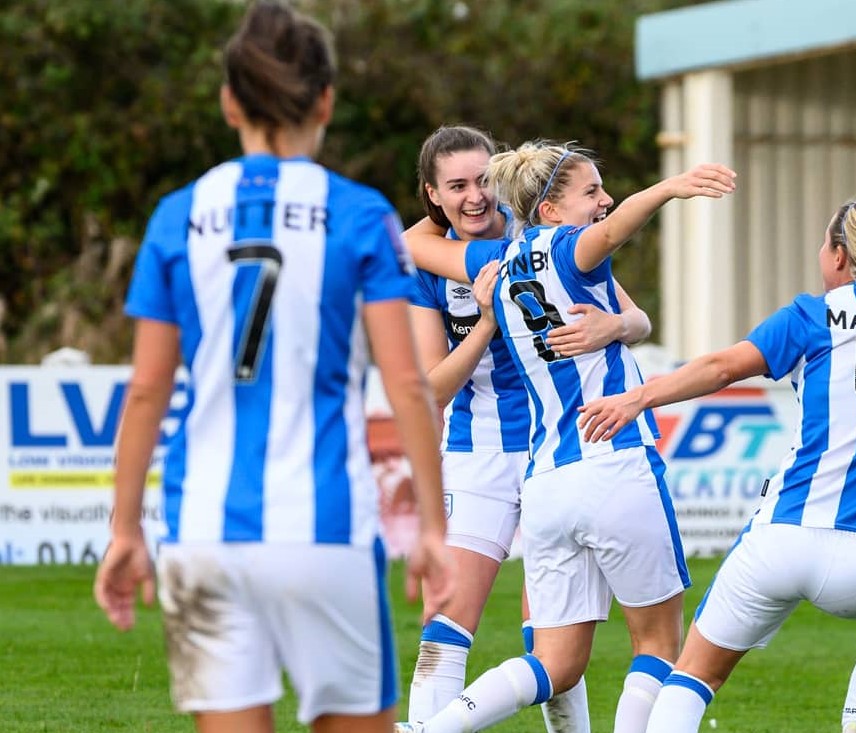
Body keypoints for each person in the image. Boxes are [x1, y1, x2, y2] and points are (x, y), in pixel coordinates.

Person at [92, 3, 454, 732]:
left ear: (230, 101)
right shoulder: (358, 213)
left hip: (202, 532)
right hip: (323, 529)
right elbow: (409, 382)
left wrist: (125, 527)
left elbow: (145, 391)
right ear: (324, 100)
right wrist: (433, 528)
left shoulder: (177, 215)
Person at [578, 99, 856, 733]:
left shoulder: (810, 316)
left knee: (694, 675)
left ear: (840, 258)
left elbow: (718, 368)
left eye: (825, 240)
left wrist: (639, 396)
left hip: (782, 540)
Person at [396, 141, 737, 732]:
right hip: (599, 453)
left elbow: (633, 315)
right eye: (456, 186)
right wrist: (668, 188)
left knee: (553, 656)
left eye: (484, 180)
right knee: (656, 643)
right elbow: (610, 234)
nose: (475, 195)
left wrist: (618, 323)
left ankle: (430, 729)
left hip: (546, 465)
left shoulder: (500, 265)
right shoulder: (563, 250)